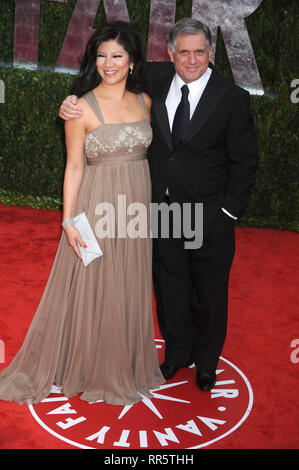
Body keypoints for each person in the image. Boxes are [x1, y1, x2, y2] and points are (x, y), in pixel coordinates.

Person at [59, 18, 259, 392]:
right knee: (170, 286)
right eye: (183, 51)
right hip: (160, 211)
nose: (192, 59)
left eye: (200, 51)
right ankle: (177, 353)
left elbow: (245, 162)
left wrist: (228, 213)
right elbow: (105, 73)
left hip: (209, 214)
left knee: (210, 290)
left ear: (211, 53)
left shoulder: (232, 97)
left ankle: (206, 363)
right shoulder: (153, 79)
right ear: (169, 53)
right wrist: (70, 100)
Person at [0, 21, 164, 406]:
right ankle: (93, 366)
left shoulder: (145, 102)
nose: (108, 63)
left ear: (132, 61)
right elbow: (73, 168)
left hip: (137, 205)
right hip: (97, 204)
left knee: (129, 279)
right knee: (98, 281)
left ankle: (127, 361)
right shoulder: (80, 107)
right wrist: (69, 221)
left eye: (117, 56)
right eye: (101, 55)